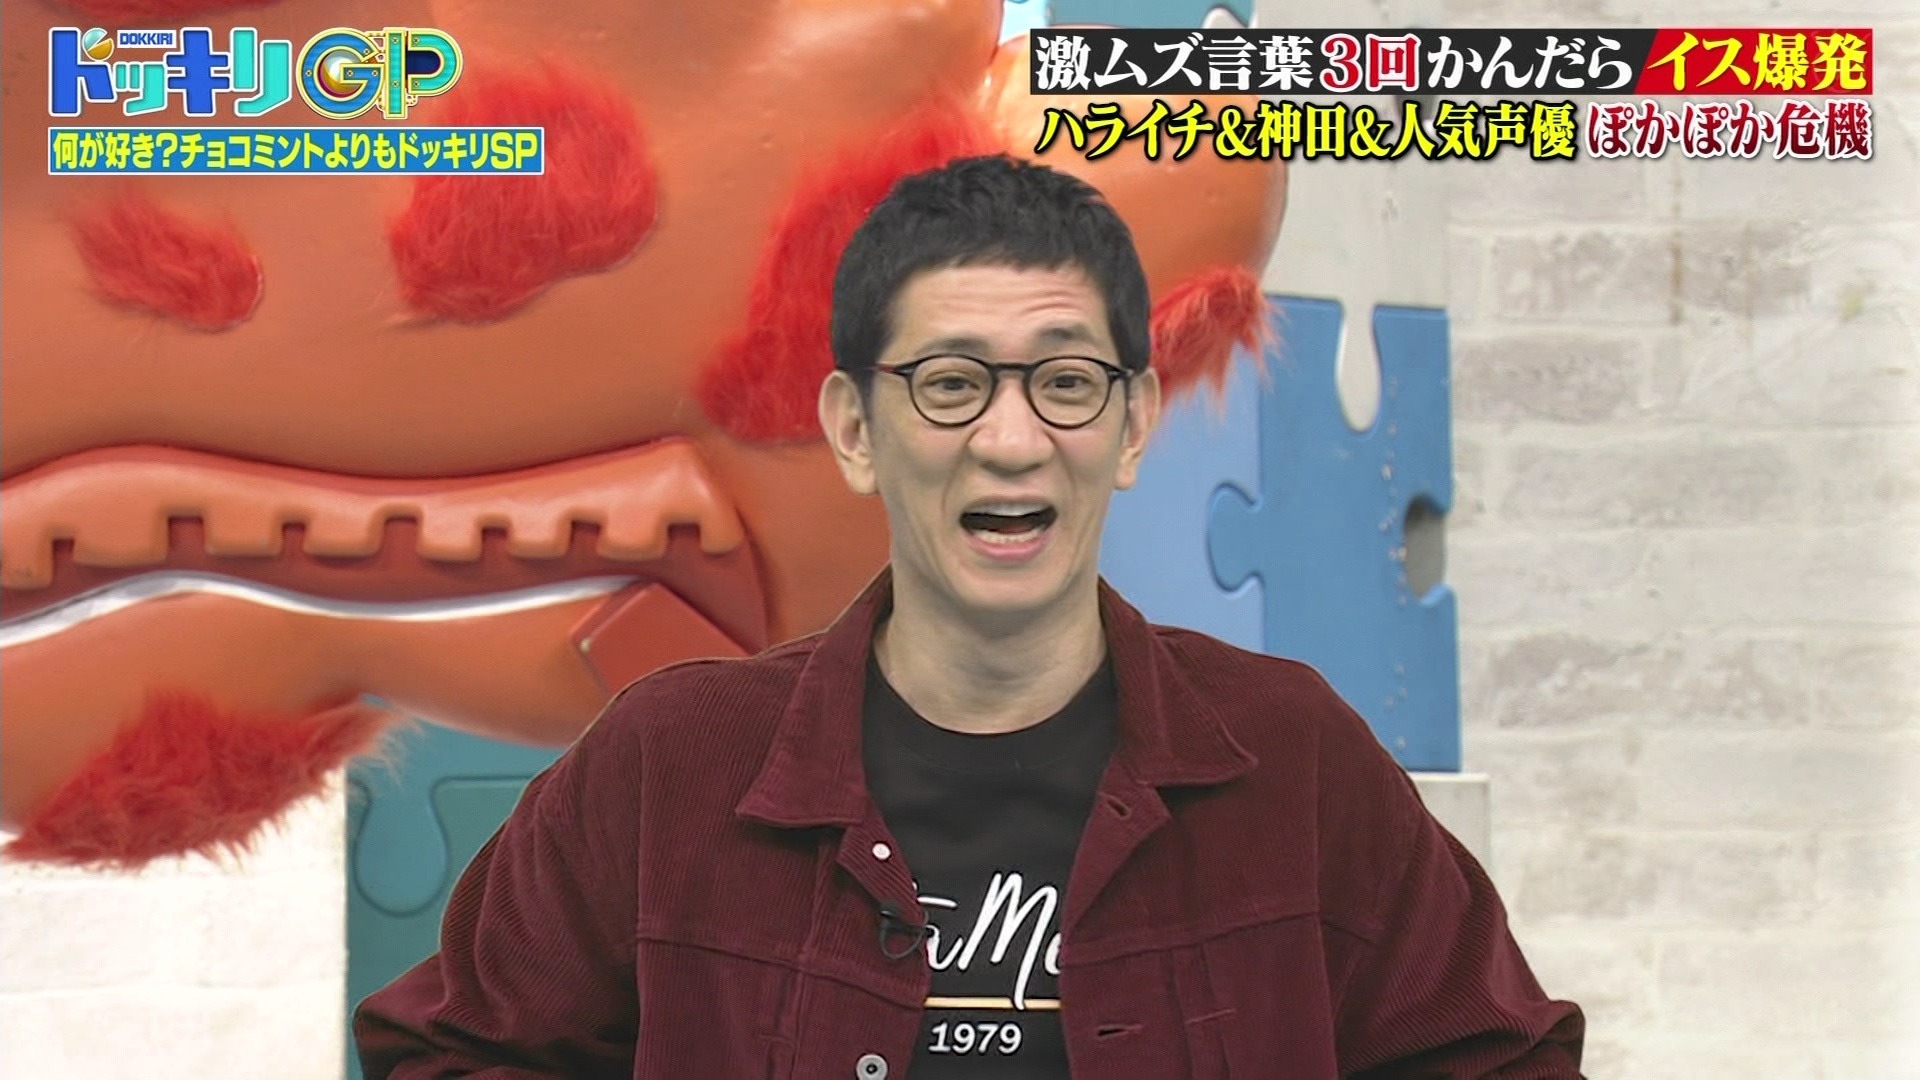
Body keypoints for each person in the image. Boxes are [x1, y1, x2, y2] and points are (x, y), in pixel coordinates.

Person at [354, 155, 1583, 1079]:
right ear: (854, 429)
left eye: (1065, 381)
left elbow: (1501, 1060)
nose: (1010, 439)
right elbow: (448, 1052)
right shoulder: (670, 761)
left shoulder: (1290, 757)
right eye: (949, 384)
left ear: (1134, 425)